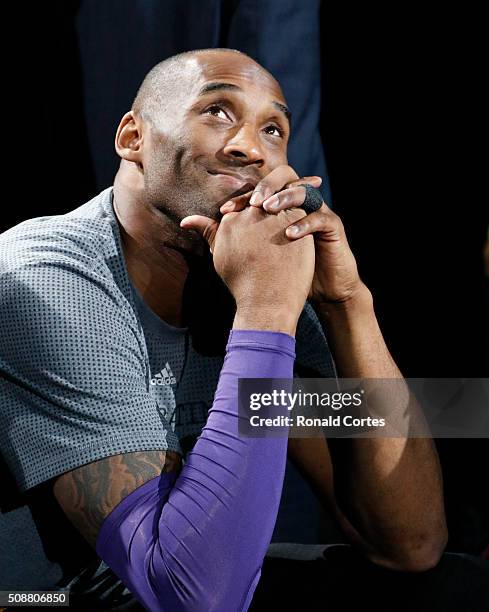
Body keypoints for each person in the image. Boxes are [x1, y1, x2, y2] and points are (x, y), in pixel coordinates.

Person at [0, 48, 487, 611]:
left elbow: (410, 542)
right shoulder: (45, 280)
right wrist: (265, 311)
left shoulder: (242, 277)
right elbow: (193, 598)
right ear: (133, 137)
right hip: (42, 599)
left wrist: (345, 301)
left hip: (167, 580)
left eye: (273, 128)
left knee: (457, 591)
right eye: (218, 112)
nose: (250, 148)